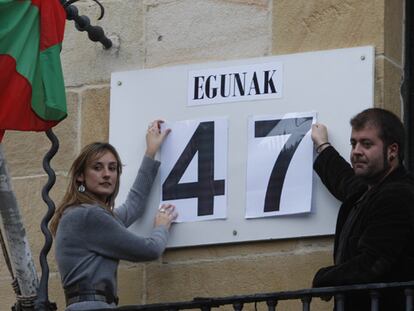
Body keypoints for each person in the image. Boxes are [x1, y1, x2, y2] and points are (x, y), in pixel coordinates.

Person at [50, 120, 178, 310]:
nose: (107, 174)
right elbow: (149, 250)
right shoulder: (88, 215)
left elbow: (134, 205)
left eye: (112, 168)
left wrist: (151, 152)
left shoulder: (87, 215)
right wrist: (161, 228)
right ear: (80, 176)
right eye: (97, 167)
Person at [311, 108, 414, 310]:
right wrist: (322, 146)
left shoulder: (398, 195)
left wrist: (324, 278)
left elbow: (372, 263)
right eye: (353, 143)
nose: (356, 151)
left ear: (392, 150)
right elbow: (343, 179)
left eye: (366, 144)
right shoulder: (368, 191)